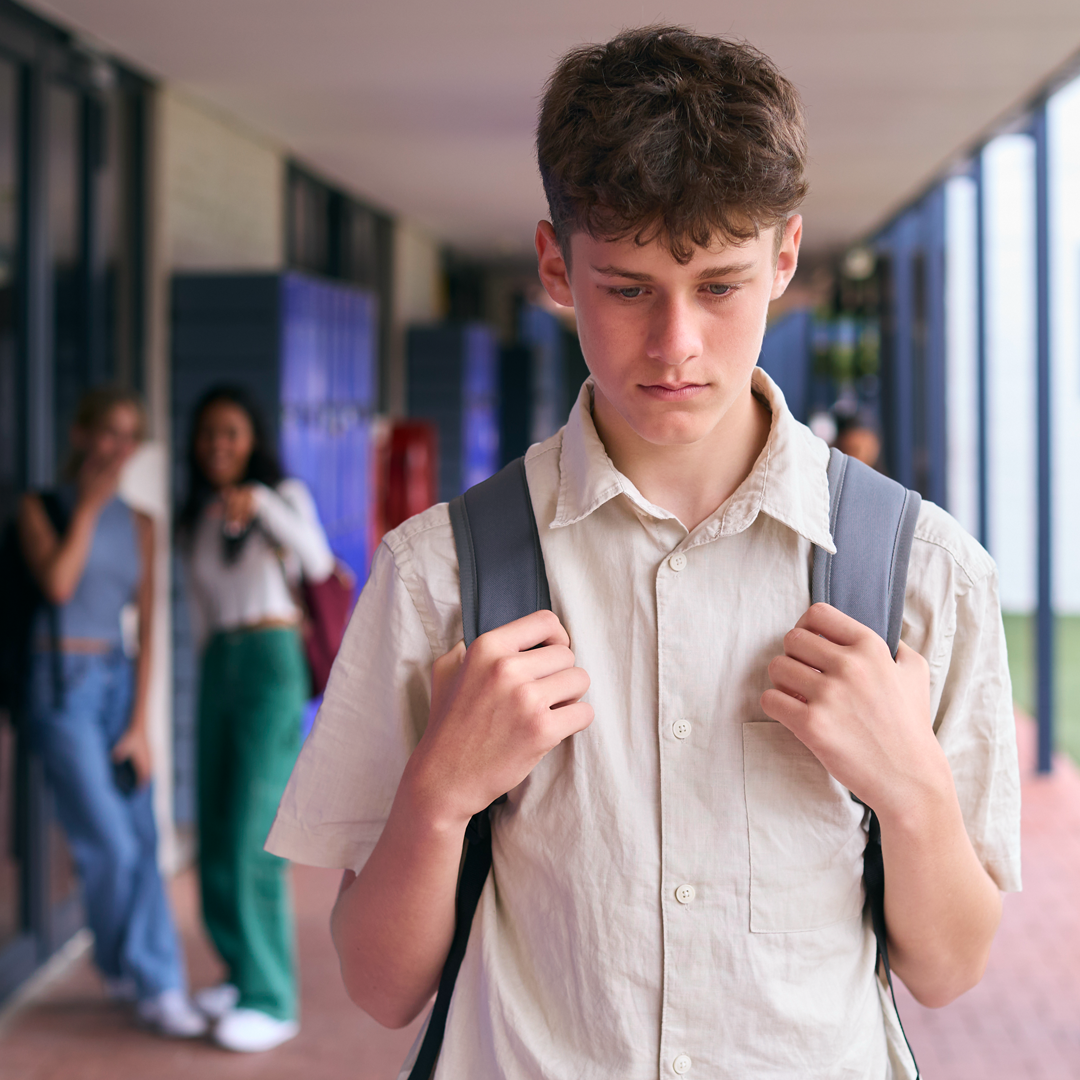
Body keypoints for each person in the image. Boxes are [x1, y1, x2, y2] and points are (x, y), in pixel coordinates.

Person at [267, 27, 1021, 1079]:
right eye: (626, 288)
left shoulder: (925, 572)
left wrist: (912, 791)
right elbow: (382, 987)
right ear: (554, 266)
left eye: (720, 286)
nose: (676, 345)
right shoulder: (437, 573)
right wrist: (438, 796)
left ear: (785, 258)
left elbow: (947, 970)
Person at [17, 386, 205, 1038]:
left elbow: (149, 628)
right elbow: (60, 584)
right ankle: (144, 974)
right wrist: (92, 507)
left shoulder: (145, 524)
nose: (117, 448)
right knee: (110, 843)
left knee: (143, 840)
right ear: (80, 435)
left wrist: (140, 726)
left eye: (129, 436)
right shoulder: (37, 509)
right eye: (107, 433)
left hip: (118, 684)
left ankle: (142, 974)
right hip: (60, 683)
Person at [177, 384, 333, 1053]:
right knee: (212, 827)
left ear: (252, 440)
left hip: (272, 662)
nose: (219, 445)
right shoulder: (197, 518)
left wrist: (264, 504)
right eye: (209, 433)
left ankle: (273, 998)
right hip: (220, 666)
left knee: (252, 831)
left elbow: (320, 562)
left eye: (232, 433)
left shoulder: (284, 496)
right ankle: (240, 972)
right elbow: (202, 608)